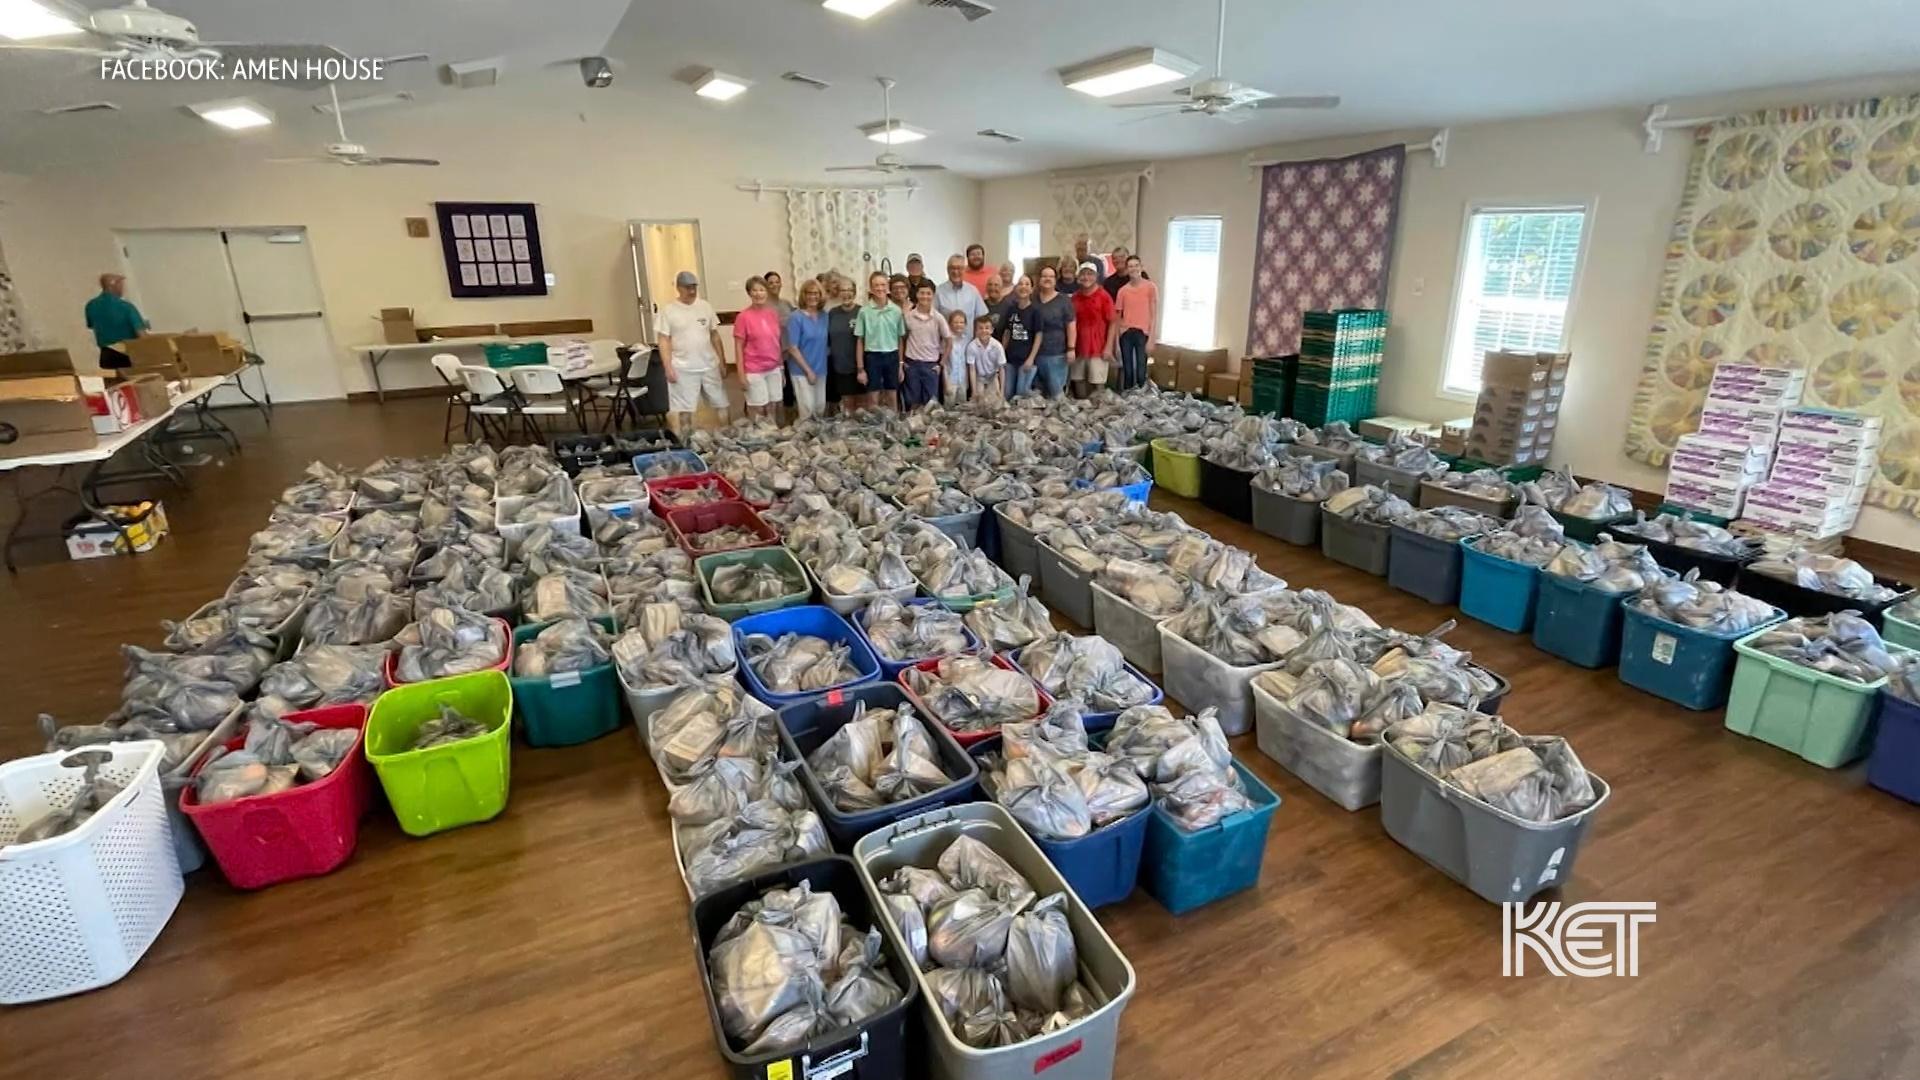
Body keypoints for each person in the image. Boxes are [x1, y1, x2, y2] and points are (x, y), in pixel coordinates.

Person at [657, 270, 731, 433]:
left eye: (694, 287)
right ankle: (687, 439)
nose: (691, 291)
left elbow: (715, 335)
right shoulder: (668, 311)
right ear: (678, 288)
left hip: (709, 364)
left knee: (721, 403)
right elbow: (663, 340)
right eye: (687, 288)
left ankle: (727, 434)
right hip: (683, 367)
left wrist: (722, 362)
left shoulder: (705, 307)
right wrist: (668, 367)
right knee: (685, 408)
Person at [733, 277, 785, 422]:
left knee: (773, 405)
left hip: (773, 368)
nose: (758, 293)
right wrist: (741, 375)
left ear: (767, 292)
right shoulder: (743, 317)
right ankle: (758, 438)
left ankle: (771, 435)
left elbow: (777, 342)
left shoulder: (772, 314)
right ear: (749, 293)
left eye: (761, 290)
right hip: (754, 370)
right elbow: (738, 347)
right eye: (754, 290)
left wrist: (781, 368)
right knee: (759, 408)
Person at [853, 270, 905, 412]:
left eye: (883, 284)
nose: (880, 288)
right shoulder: (864, 311)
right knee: (873, 397)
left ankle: (893, 426)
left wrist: (900, 365)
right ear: (871, 288)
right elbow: (860, 340)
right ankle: (874, 429)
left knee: (892, 394)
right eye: (876, 285)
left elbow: (900, 339)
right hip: (872, 356)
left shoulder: (896, 311)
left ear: (888, 287)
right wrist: (860, 368)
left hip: (892, 356)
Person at [784, 277, 830, 420]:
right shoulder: (795, 317)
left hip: (821, 368)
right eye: (809, 293)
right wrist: (808, 371)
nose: (812, 296)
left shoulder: (824, 316)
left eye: (816, 293)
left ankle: (818, 440)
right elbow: (792, 347)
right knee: (807, 408)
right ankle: (804, 439)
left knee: (820, 407)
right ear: (803, 295)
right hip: (801, 369)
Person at [1070, 262, 1118, 398]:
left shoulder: (1104, 296)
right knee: (1078, 379)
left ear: (1096, 276)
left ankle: (1098, 413)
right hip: (1079, 347)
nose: (1086, 277)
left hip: (1098, 348)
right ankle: (1082, 410)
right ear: (1079, 276)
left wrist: (1108, 347)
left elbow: (1113, 322)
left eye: (1090, 274)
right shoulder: (1075, 298)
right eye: (1083, 274)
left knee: (1098, 382)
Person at [900, 282, 949, 411]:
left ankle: (929, 430)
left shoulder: (938, 318)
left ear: (933, 295)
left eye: (928, 293)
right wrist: (903, 362)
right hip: (912, 365)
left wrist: (941, 364)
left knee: (931, 403)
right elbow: (902, 339)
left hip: (930, 366)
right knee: (912, 401)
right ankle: (914, 427)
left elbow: (949, 340)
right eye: (922, 293)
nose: (925, 296)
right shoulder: (908, 316)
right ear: (916, 295)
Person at [85, 272, 147, 372]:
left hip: (106, 356)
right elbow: (142, 335)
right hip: (128, 356)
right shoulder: (126, 307)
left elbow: (91, 325)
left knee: (114, 386)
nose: (122, 288)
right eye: (121, 285)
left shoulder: (91, 306)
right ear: (113, 285)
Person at [1030, 265, 1076, 399]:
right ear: (1039, 279)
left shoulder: (1064, 300)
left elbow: (1071, 325)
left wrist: (1071, 348)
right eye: (1044, 276)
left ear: (1055, 280)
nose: (1047, 279)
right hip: (1035, 354)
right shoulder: (1032, 300)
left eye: (1051, 276)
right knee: (1038, 394)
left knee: (1056, 394)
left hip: (1057, 354)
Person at [1114, 255, 1158, 391]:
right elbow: (1118, 317)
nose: (1133, 269)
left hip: (1143, 333)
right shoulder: (1122, 291)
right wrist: (1116, 341)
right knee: (1128, 370)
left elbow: (1154, 314)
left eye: (1136, 265)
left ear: (1141, 267)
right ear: (1127, 270)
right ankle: (1128, 402)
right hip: (1126, 333)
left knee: (1140, 370)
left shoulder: (1150, 287)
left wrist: (1151, 338)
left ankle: (1141, 401)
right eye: (1130, 266)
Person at [998, 275, 1039, 398]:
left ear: (1031, 289)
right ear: (1016, 288)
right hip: (1010, 359)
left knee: (1021, 393)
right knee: (1007, 394)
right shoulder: (1011, 309)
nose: (1023, 287)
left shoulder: (1035, 311)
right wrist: (1002, 354)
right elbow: (1007, 332)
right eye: (1020, 284)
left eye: (1027, 284)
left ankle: (1037, 395)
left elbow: (1039, 335)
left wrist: (1031, 358)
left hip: (1026, 359)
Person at [827, 275, 863, 414]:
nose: (846, 293)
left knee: (861, 407)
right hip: (840, 367)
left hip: (860, 367)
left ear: (854, 292)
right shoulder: (832, 313)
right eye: (843, 290)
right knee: (847, 405)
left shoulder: (862, 312)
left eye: (849, 290)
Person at [935, 255, 987, 330]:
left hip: (969, 341)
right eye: (952, 268)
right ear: (947, 270)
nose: (956, 272)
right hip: (945, 341)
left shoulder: (973, 291)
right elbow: (933, 319)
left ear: (964, 270)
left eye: (959, 268)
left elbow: (981, 318)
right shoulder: (938, 291)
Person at [966, 314, 1006, 406]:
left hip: (993, 376)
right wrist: (974, 391)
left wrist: (1001, 390)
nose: (984, 331)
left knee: (995, 402)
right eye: (980, 328)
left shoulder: (997, 346)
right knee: (979, 403)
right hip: (979, 377)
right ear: (976, 330)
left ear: (992, 330)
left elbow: (1002, 369)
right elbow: (972, 369)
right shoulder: (971, 346)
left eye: (987, 328)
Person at [942, 309, 971, 405]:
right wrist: (945, 383)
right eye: (956, 322)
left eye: (962, 322)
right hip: (950, 380)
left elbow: (967, 363)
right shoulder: (946, 341)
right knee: (949, 408)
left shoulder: (967, 340)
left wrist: (967, 381)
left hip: (962, 379)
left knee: (962, 408)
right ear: (950, 324)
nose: (959, 325)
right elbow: (944, 364)